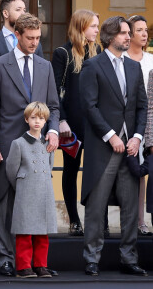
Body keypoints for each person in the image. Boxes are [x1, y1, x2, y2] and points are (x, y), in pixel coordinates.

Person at [0, 13, 59, 277]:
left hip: (37, 148)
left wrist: (54, 131)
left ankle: (34, 262)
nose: (34, 43)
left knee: (34, 206)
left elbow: (53, 106)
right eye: (29, 38)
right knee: (6, 204)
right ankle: (6, 259)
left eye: (38, 38)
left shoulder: (45, 66)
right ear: (17, 35)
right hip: (6, 146)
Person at [80, 16, 148, 277]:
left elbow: (142, 106)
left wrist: (137, 137)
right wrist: (111, 135)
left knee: (131, 208)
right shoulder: (92, 66)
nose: (128, 37)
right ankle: (91, 259)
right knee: (96, 207)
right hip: (103, 148)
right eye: (123, 33)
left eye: (129, 33)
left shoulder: (133, 68)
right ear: (109, 37)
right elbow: (89, 106)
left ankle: (128, 259)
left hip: (130, 150)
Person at [0, 0, 43, 235]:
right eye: (18, 8)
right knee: (2, 186)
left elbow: (41, 87)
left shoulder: (37, 49)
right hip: (6, 127)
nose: (34, 42)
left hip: (34, 132)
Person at [51, 9, 100, 237]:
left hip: (95, 124)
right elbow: (55, 90)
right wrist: (61, 119)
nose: (97, 31)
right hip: (71, 124)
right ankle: (74, 220)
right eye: (93, 26)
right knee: (70, 171)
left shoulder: (98, 51)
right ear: (81, 27)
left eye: (97, 26)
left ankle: (95, 220)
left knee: (95, 172)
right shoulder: (62, 53)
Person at [6, 102, 57, 279]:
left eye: (41, 118)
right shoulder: (18, 144)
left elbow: (49, 167)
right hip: (26, 191)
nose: (37, 121)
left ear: (45, 122)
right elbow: (11, 170)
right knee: (25, 232)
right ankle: (23, 267)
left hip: (44, 192)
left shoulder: (48, 144)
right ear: (27, 119)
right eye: (33, 117)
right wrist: (22, 186)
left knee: (42, 233)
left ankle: (41, 265)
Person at [126, 14, 153, 236]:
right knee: (126, 172)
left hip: (147, 122)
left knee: (143, 172)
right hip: (125, 121)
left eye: (145, 30)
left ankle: (141, 221)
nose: (144, 34)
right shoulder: (122, 58)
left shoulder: (151, 60)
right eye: (139, 30)